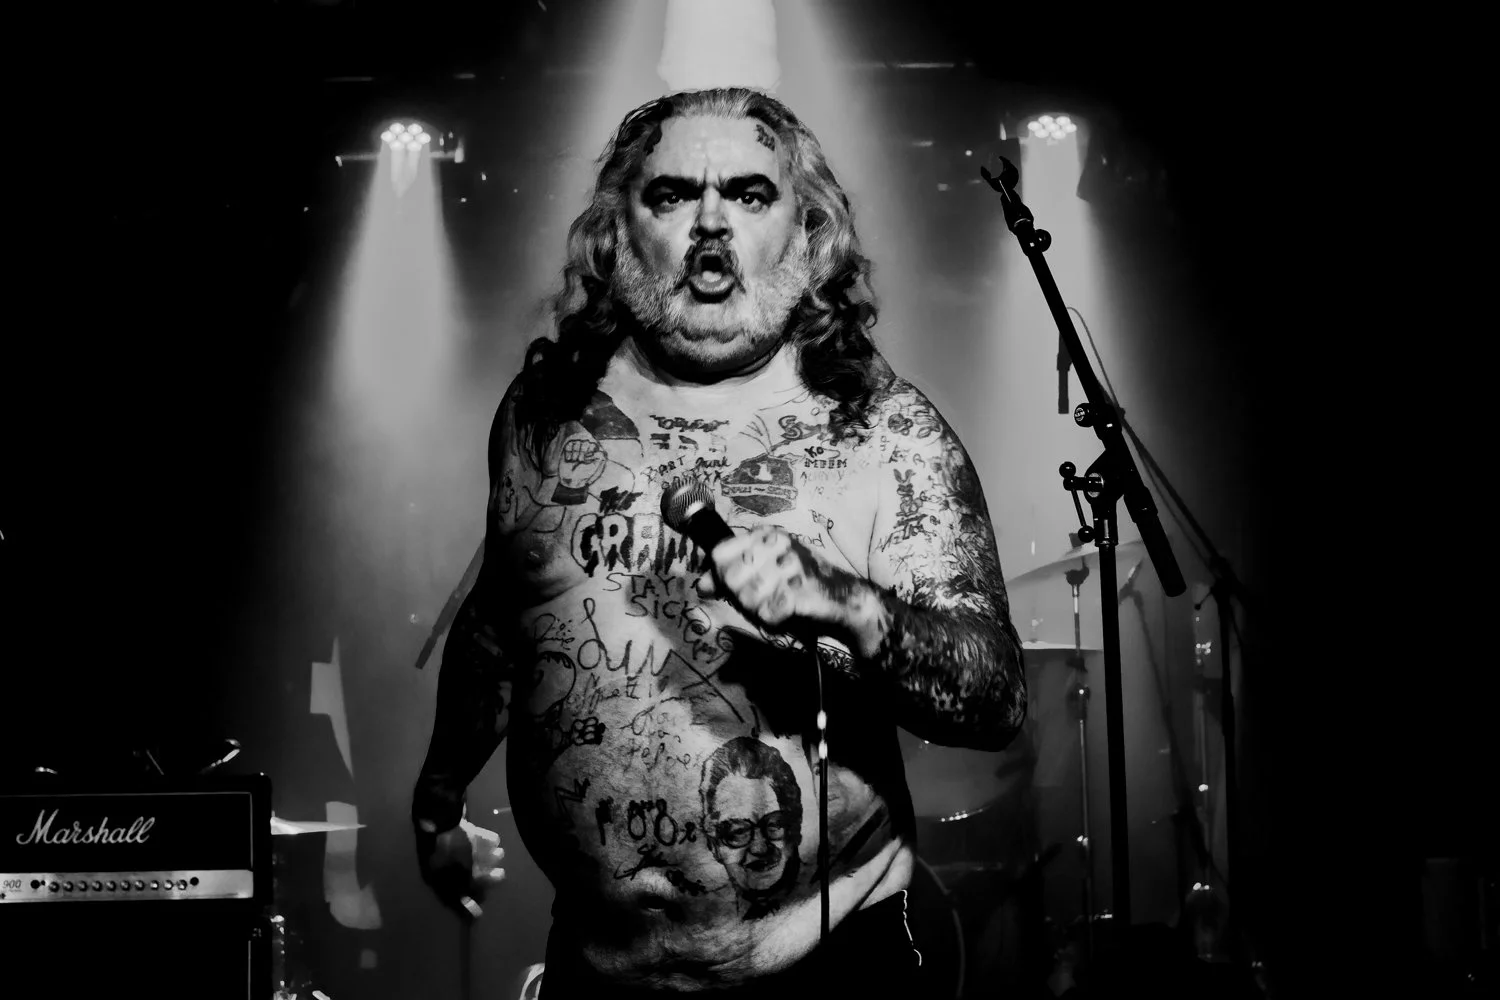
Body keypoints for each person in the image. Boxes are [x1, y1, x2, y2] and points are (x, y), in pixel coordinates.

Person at [412, 86, 1026, 996]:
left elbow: (995, 698)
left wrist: (850, 607)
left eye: (748, 193)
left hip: (823, 963)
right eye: (671, 195)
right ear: (617, 231)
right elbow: (502, 622)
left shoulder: (879, 430)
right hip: (599, 967)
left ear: (807, 230)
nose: (709, 223)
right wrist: (437, 802)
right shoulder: (542, 416)